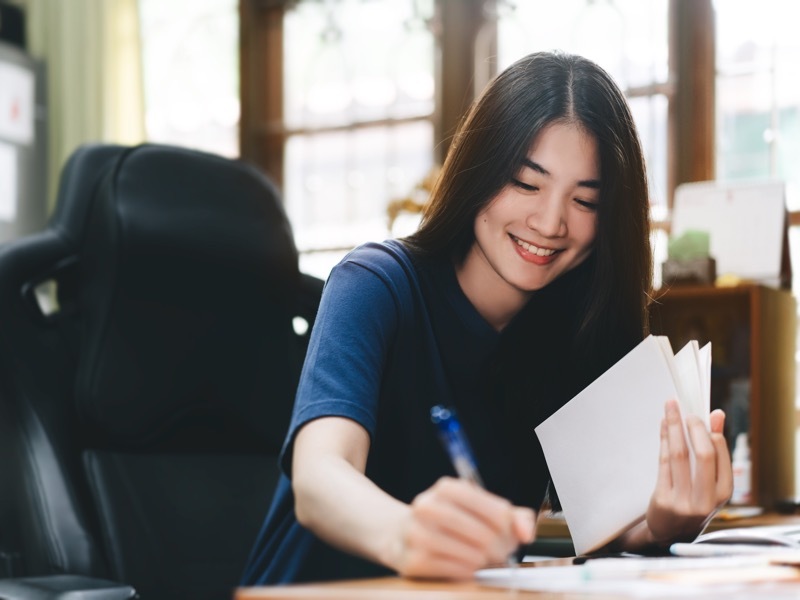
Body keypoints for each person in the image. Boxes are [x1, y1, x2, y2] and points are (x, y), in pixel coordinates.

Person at [241, 50, 733, 585]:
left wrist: (661, 520)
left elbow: (603, 520)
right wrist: (408, 534)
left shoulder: (574, 334)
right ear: (478, 170)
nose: (550, 222)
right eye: (527, 183)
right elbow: (318, 477)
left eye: (585, 201)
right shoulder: (375, 284)